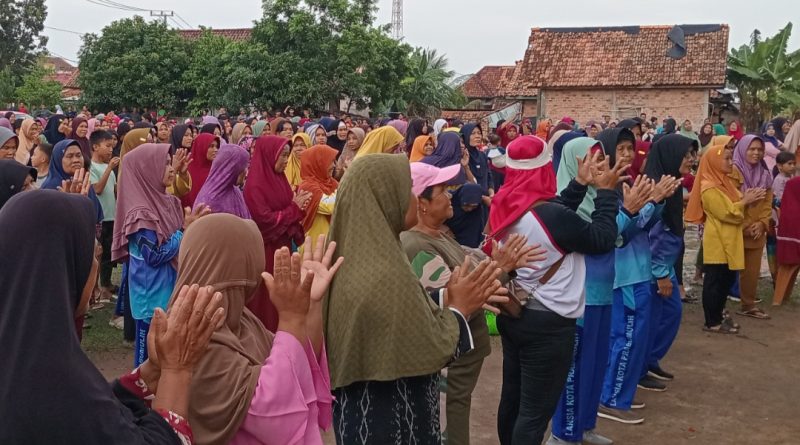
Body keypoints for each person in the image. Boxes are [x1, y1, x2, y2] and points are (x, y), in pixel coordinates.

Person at [0, 189, 226, 444]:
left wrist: (150, 372)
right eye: (93, 254)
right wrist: (177, 370)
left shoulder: (28, 358)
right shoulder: (56, 383)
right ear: (61, 268)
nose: (96, 266)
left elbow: (97, 415)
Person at [324, 153, 506, 445]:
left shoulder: (365, 257)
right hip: (393, 421)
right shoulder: (386, 274)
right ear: (386, 199)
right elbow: (431, 344)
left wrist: (446, 297)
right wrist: (458, 309)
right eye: (407, 190)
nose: (412, 199)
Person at [490, 134, 623, 445]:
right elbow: (601, 239)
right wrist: (606, 193)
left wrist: (579, 183)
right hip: (549, 324)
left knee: (513, 400)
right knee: (534, 413)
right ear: (544, 170)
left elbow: (553, 216)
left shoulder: (506, 204)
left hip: (516, 312)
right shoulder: (551, 216)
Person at [401, 161, 542, 445]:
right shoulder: (417, 245)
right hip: (451, 359)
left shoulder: (438, 235)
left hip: (462, 355)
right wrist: (502, 268)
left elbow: (470, 272)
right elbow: (457, 302)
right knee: (450, 423)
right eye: (442, 191)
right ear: (421, 204)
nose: (450, 196)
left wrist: (498, 265)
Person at [169, 215, 340, 445]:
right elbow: (272, 413)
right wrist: (290, 319)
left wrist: (309, 307)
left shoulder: (241, 321)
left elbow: (295, 364)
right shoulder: (192, 338)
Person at [548, 137, 652, 445]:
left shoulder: (604, 196)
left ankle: (585, 426)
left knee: (595, 363)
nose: (599, 166)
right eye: (590, 159)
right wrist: (627, 212)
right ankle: (563, 433)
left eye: (601, 158)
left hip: (603, 291)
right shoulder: (566, 203)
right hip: (579, 296)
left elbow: (619, 238)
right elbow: (597, 239)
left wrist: (643, 206)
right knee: (575, 368)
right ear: (574, 163)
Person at [598, 128, 682, 422]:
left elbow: (642, 224)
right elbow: (619, 234)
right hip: (625, 274)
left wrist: (656, 201)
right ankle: (611, 398)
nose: (626, 154)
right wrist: (651, 201)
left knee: (631, 336)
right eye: (620, 149)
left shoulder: (628, 182)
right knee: (626, 337)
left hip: (637, 270)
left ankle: (619, 392)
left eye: (629, 149)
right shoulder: (606, 189)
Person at [112, 143, 209, 366]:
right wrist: (184, 230)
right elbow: (154, 256)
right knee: (148, 359)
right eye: (163, 164)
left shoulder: (167, 201)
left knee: (167, 355)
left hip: (169, 289)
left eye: (169, 163)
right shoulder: (140, 215)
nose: (171, 168)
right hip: (151, 298)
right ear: (147, 170)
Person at [685, 145, 765, 333]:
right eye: (727, 159)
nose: (731, 163)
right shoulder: (709, 187)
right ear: (714, 162)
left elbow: (736, 205)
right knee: (715, 280)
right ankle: (712, 321)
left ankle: (719, 314)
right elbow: (727, 213)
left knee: (726, 279)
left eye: (731, 158)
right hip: (718, 241)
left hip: (729, 238)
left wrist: (748, 201)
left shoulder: (724, 183)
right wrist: (744, 201)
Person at [641, 135, 697, 388]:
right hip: (653, 268)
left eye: (692, 154)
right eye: (686, 155)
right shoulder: (656, 189)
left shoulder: (671, 184)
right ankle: (639, 368)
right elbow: (653, 236)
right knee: (651, 318)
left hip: (665, 264)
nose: (691, 159)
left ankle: (649, 359)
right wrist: (661, 274)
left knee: (671, 312)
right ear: (671, 156)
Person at [244, 136, 311, 332]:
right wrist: (294, 208)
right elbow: (265, 220)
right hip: (267, 251)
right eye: (282, 156)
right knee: (267, 300)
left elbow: (287, 207)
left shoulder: (280, 179)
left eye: (287, 156)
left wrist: (296, 207)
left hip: (283, 248)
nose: (286, 160)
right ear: (269, 156)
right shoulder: (255, 185)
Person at [731, 135, 772, 320]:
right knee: (725, 270)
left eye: (760, 149)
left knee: (752, 272)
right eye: (752, 149)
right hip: (736, 229)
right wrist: (745, 225)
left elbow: (767, 202)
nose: (756, 153)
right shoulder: (732, 172)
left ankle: (748, 304)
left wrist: (762, 223)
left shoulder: (764, 174)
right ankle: (716, 309)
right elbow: (731, 202)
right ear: (742, 149)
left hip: (756, 231)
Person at [89, 130, 121, 300]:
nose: (110, 149)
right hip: (99, 218)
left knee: (108, 254)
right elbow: (98, 189)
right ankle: (94, 289)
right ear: (95, 147)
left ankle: (106, 285)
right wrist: (109, 169)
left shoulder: (110, 169)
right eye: (107, 146)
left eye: (112, 146)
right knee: (98, 254)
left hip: (111, 217)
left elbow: (115, 192)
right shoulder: (92, 167)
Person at [40, 139, 104, 223]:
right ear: (59, 159)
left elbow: (95, 215)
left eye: (78, 155)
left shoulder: (83, 182)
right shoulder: (51, 186)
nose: (76, 160)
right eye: (69, 156)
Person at [193, 143, 251, 219]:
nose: (246, 172)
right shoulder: (209, 201)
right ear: (232, 168)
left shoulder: (235, 191)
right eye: (243, 167)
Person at [298, 145, 339, 246]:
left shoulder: (332, 182)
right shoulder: (308, 186)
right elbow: (330, 206)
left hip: (332, 240)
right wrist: (346, 183)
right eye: (330, 161)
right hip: (313, 243)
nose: (334, 165)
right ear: (319, 163)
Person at [767, 152, 796, 282]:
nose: (792, 166)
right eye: (789, 164)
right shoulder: (779, 180)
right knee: (775, 247)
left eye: (794, 163)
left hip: (787, 216)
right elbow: (778, 200)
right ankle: (777, 277)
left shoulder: (791, 178)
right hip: (778, 219)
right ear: (779, 166)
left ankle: (782, 275)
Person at [772, 176, 800, 305]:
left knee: (788, 268)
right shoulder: (793, 212)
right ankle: (778, 298)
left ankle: (781, 297)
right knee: (788, 267)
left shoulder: (788, 207)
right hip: (793, 241)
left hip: (791, 241)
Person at [181, 133, 220, 208]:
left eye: (217, 147)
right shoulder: (187, 172)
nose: (215, 150)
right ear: (201, 147)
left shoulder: (216, 171)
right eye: (211, 146)